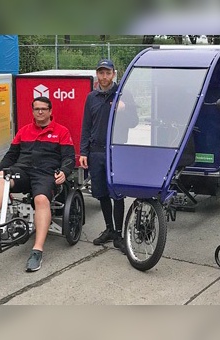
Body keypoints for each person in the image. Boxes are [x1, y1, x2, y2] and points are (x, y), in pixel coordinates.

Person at [0, 96, 75, 272]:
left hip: (45, 174)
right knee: (1, 177)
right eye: (37, 109)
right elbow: (11, 156)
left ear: (51, 111)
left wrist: (64, 172)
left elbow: (69, 157)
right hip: (23, 171)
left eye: (44, 109)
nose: (40, 112)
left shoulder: (61, 131)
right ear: (33, 111)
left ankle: (37, 250)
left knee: (42, 200)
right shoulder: (24, 131)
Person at [79, 58, 138, 253]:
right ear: (97, 74)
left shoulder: (123, 94)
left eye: (108, 73)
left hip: (116, 151)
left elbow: (134, 122)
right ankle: (109, 229)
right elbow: (86, 126)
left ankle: (120, 234)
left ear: (114, 74)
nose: (104, 77)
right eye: (101, 73)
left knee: (116, 194)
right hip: (96, 152)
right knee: (102, 193)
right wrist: (83, 152)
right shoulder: (91, 97)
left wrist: (124, 109)